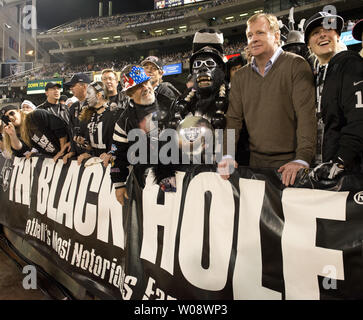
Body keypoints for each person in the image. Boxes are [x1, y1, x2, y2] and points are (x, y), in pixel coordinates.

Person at [220, 13, 317, 187]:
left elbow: (306, 116)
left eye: (260, 33)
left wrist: (302, 158)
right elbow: (233, 120)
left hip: (291, 165)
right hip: (255, 164)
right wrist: (227, 154)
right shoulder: (241, 76)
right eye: (250, 35)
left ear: (277, 36)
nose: (254, 39)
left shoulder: (296, 65)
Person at [304, 12, 363, 180]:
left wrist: (341, 161)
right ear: (309, 44)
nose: (322, 34)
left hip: (347, 171)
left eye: (328, 29)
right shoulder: (314, 74)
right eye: (315, 32)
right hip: (319, 166)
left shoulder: (350, 64)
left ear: (338, 36)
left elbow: (359, 119)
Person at [110, 66, 158, 206]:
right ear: (129, 94)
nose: (145, 88)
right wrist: (119, 184)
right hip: (146, 183)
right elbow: (117, 155)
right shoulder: (123, 122)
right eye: (138, 86)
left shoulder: (170, 102)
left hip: (179, 174)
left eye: (146, 82)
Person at [1, 105, 70, 161]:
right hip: (57, 158)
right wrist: (12, 135)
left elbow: (60, 129)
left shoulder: (36, 115)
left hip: (70, 151)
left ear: (19, 111)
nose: (10, 117)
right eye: (6, 118)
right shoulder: (20, 132)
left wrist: (61, 151)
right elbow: (21, 151)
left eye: (12, 113)